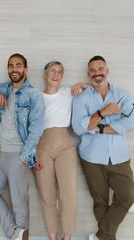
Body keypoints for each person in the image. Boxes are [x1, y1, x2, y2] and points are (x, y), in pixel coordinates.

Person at [0, 53, 45, 240]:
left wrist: (26, 156)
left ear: (25, 69)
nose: (14, 69)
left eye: (18, 66)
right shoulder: (4, 88)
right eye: (11, 66)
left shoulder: (33, 94)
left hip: (18, 154)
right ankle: (14, 232)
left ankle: (20, 234)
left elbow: (36, 129)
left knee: (19, 203)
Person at [72, 56, 134, 240]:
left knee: (126, 197)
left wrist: (95, 127)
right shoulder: (81, 98)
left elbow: (130, 123)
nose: (97, 73)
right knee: (100, 202)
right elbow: (78, 128)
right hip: (91, 158)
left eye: (100, 68)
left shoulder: (123, 95)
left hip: (119, 156)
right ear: (88, 73)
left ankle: (102, 237)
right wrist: (103, 112)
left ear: (107, 71)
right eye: (92, 70)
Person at [34, 61, 88, 240]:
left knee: (69, 193)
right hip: (42, 146)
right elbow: (29, 125)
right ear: (45, 74)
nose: (56, 75)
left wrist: (81, 85)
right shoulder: (35, 96)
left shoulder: (68, 93)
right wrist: (32, 153)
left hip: (65, 145)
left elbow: (94, 90)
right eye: (52, 71)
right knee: (47, 194)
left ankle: (67, 237)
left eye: (60, 72)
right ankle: (53, 237)